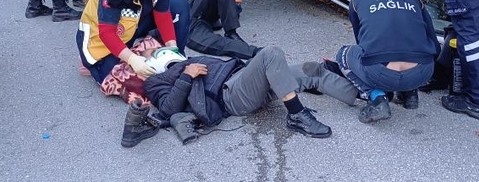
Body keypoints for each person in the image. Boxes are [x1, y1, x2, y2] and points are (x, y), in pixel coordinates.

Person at [141, 46, 335, 140]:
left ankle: (360, 95)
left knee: (311, 70)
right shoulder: (155, 81)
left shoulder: (187, 60)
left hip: (242, 77)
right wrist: (186, 77)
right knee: (271, 53)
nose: (158, 48)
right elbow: (167, 110)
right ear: (149, 64)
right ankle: (297, 114)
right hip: (231, 95)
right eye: (152, 51)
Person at [334, 0, 440, 123]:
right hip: (422, 73)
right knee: (411, 49)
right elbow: (434, 44)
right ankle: (410, 95)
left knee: (342, 54)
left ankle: (377, 98)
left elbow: (362, 43)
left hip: (380, 73)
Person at [169, 0, 260, 60]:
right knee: (213, 43)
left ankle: (231, 32)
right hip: (184, 22)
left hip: (195, 3)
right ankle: (256, 52)